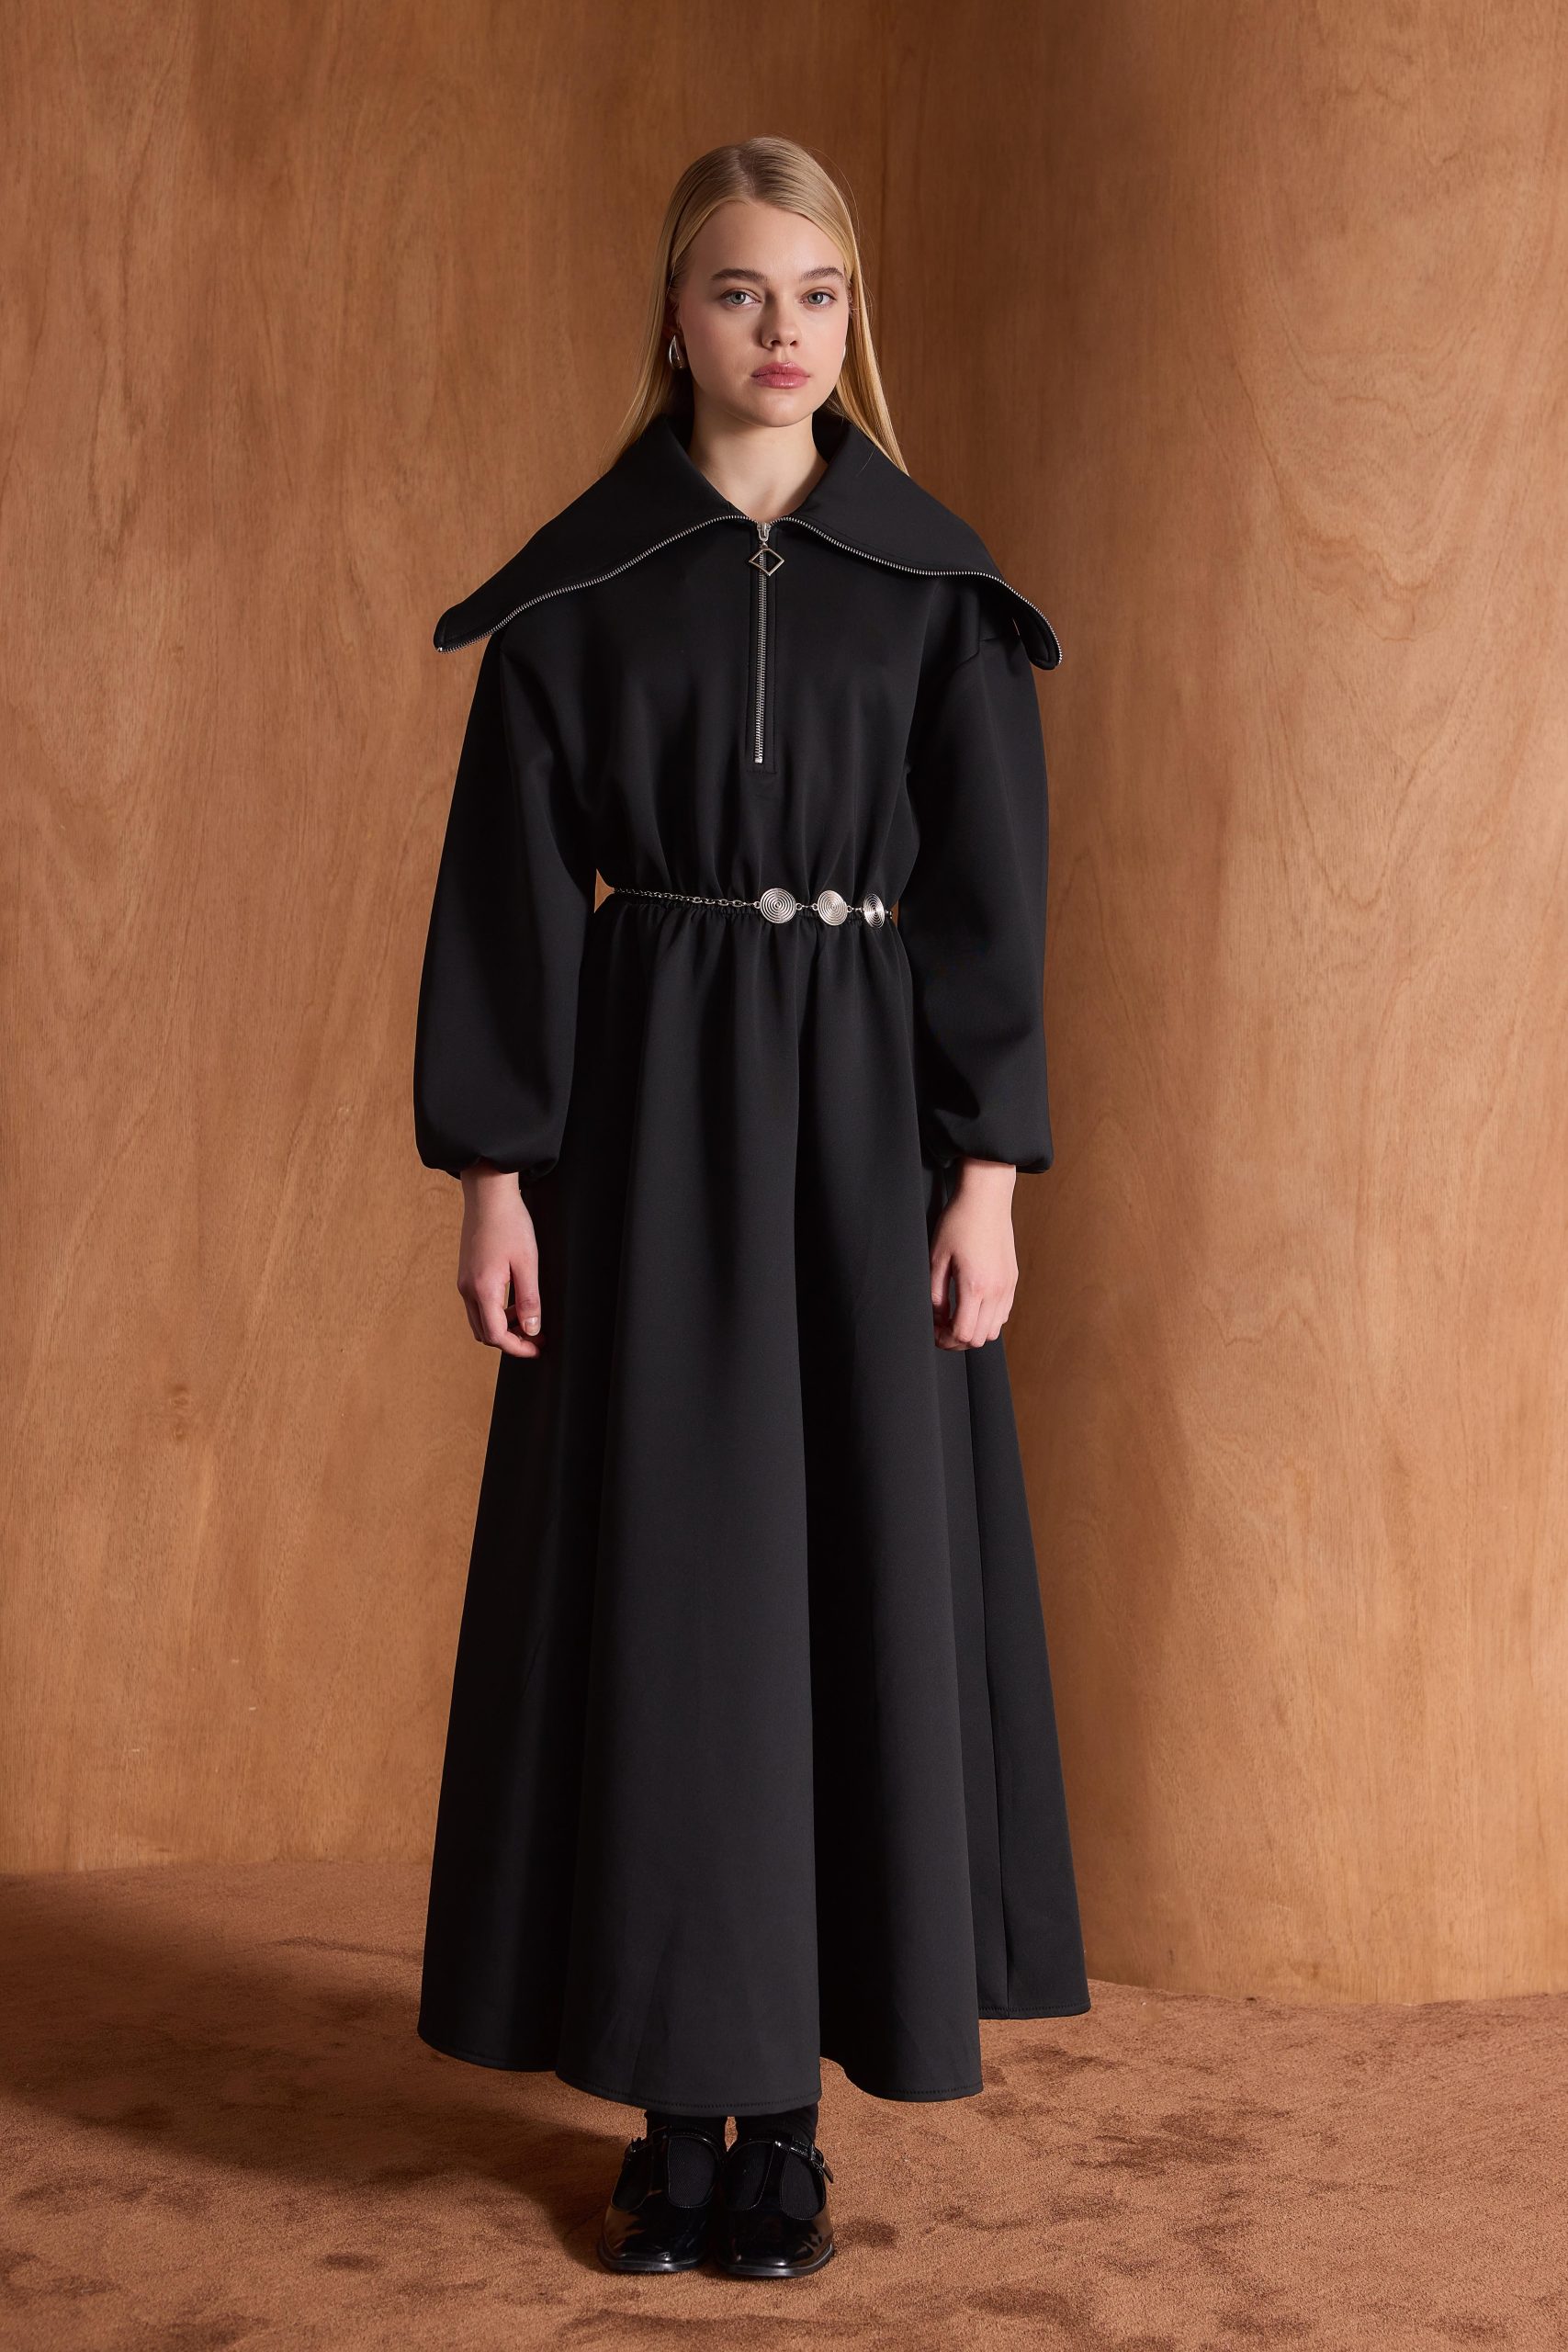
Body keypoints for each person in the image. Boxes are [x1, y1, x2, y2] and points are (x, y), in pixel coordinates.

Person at [411, 135, 1090, 2282]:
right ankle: (665, 2107)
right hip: (642, 1136)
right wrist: (494, 1171)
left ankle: (778, 2118)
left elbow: (988, 908)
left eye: (813, 292)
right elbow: (507, 898)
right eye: (736, 291)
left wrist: (985, 1174)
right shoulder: (579, 592)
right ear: (674, 315)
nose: (778, 331)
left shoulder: (936, 593)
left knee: (837, 1584)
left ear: (848, 315)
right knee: (671, 1589)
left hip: (866, 1138)